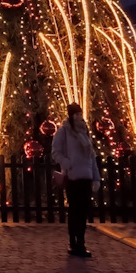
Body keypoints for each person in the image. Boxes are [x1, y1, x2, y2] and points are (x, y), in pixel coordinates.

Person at [52, 103, 101, 256]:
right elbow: (56, 151)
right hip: (73, 177)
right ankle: (73, 242)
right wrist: (67, 164)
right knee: (74, 211)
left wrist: (96, 177)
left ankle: (81, 241)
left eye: (80, 114)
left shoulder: (84, 132)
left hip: (86, 176)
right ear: (71, 116)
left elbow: (91, 157)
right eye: (76, 114)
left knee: (83, 211)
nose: (79, 117)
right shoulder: (64, 132)